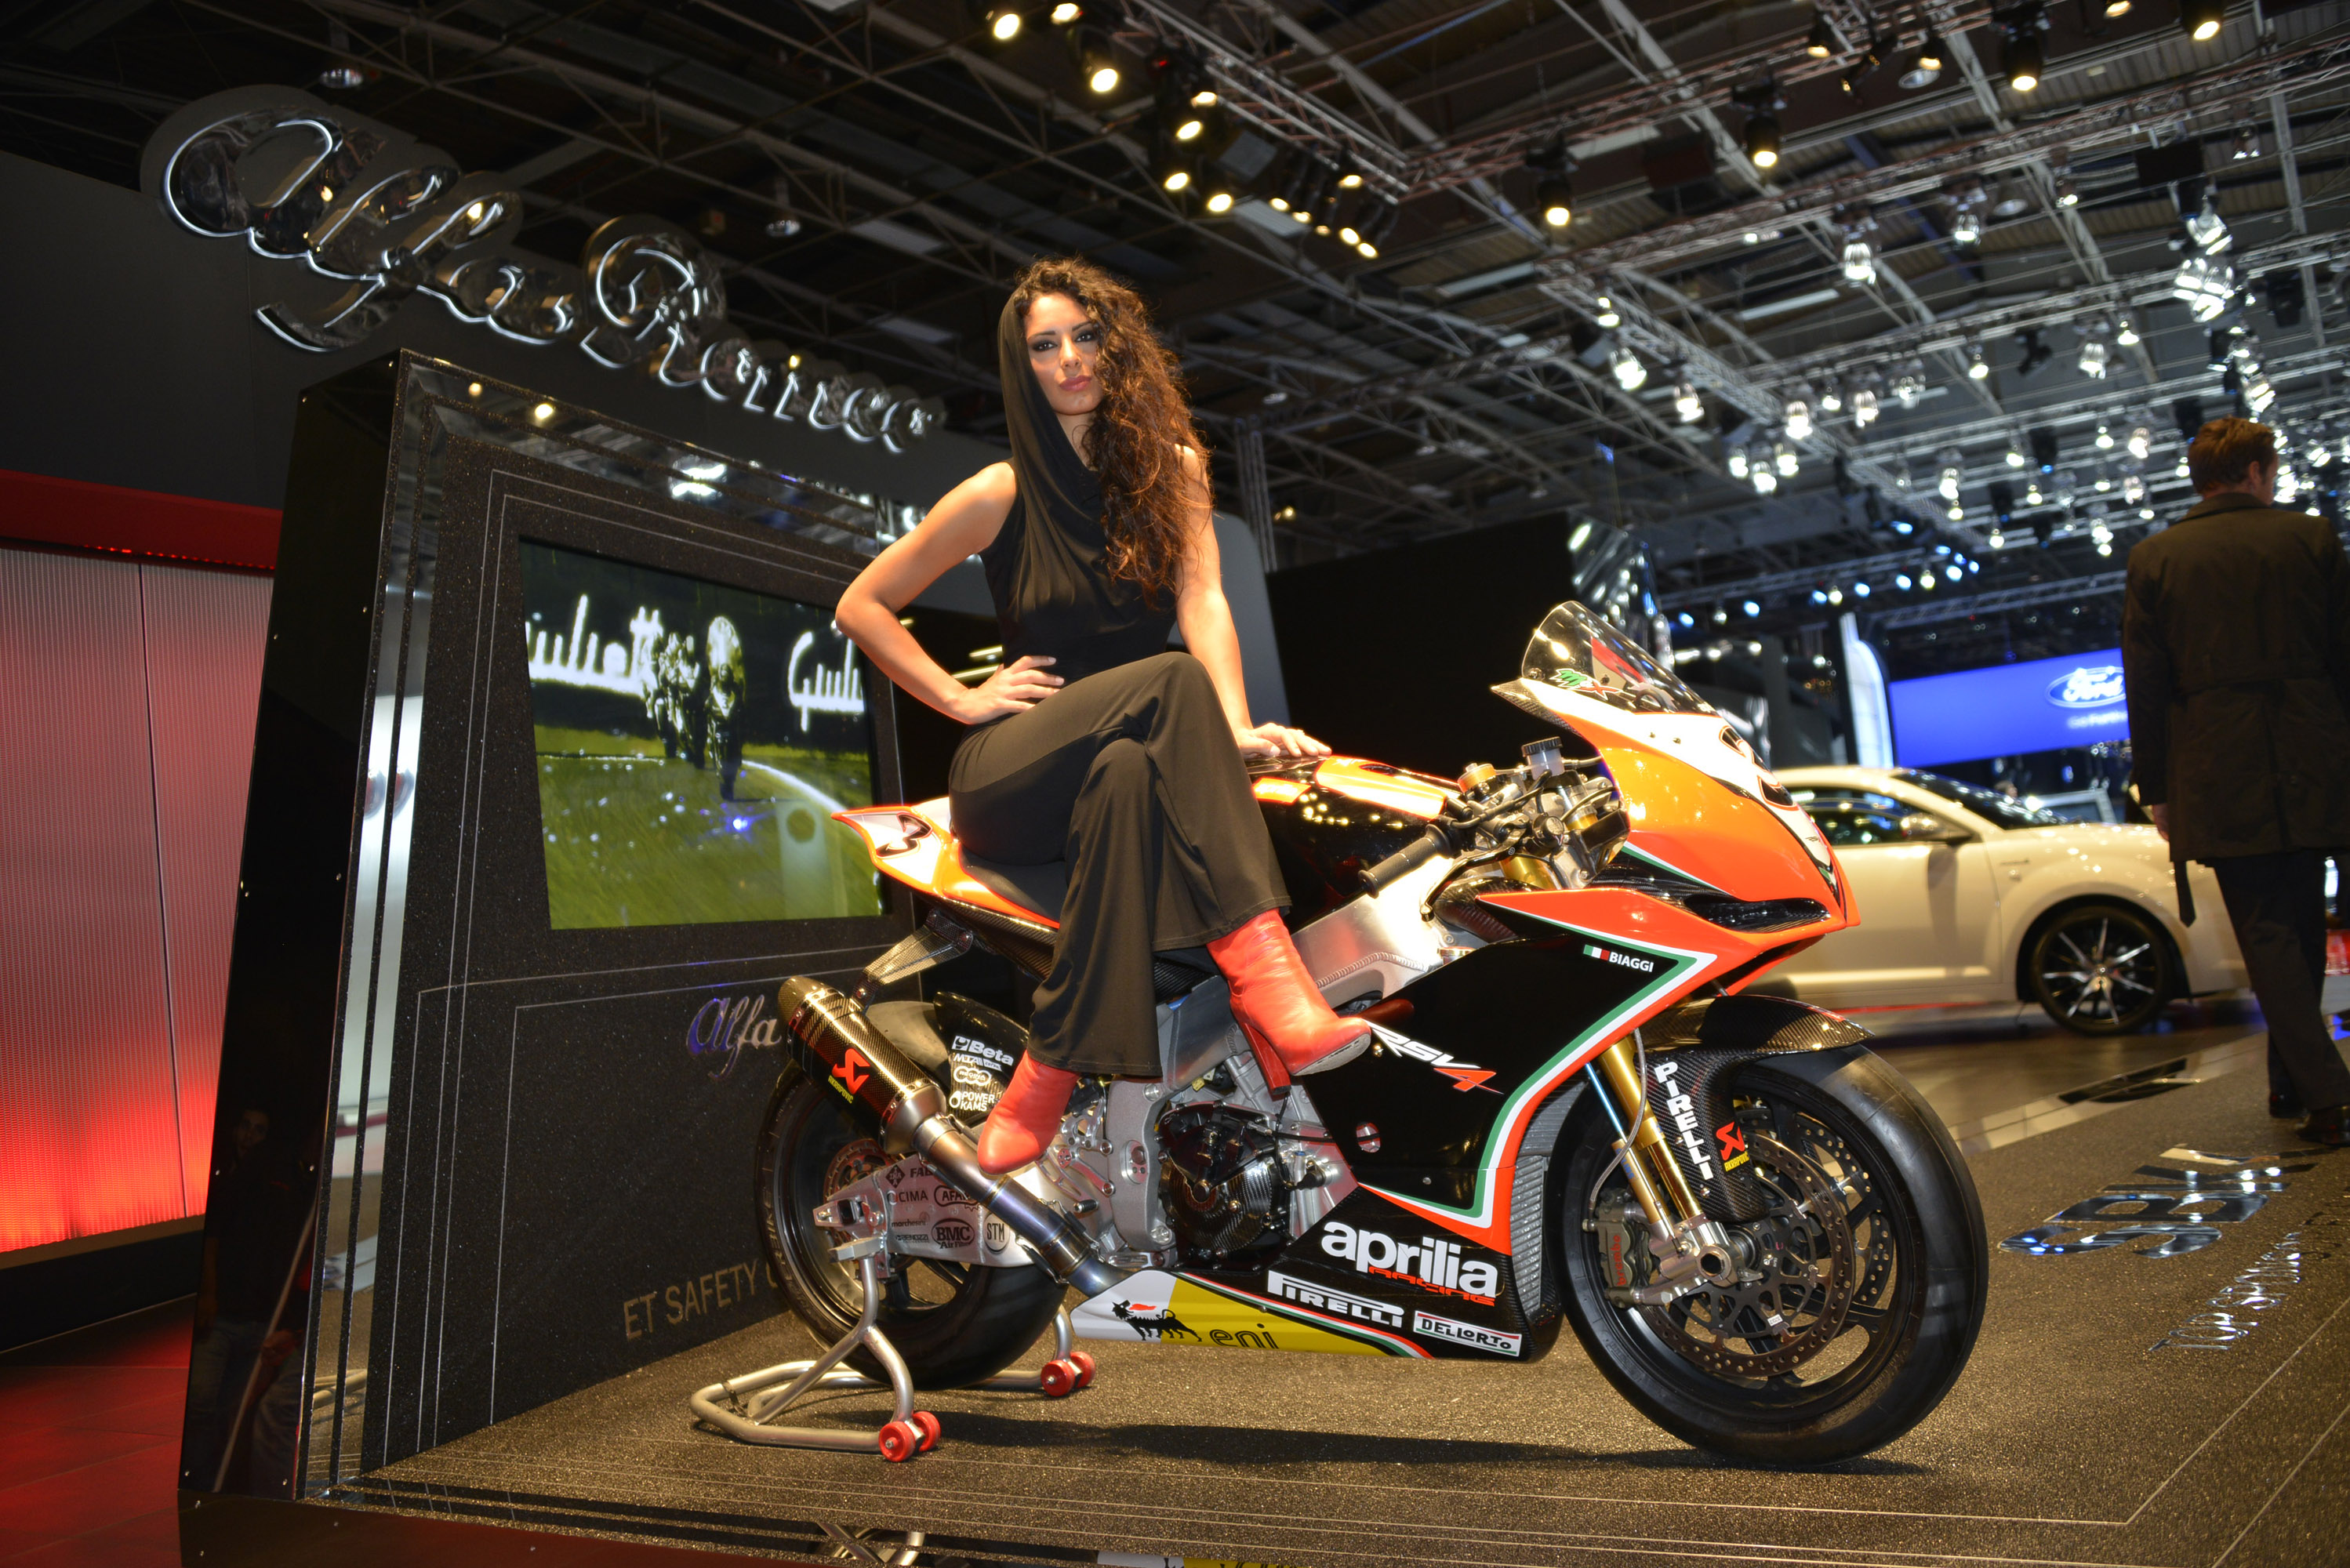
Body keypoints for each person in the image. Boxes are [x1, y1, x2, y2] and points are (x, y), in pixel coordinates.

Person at [835, 256, 1371, 1174]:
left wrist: (1233, 727)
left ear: (1116, 349)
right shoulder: (998, 492)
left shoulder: (1175, 471)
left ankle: (1045, 1073)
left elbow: (1205, 601)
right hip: (1015, 769)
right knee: (1166, 681)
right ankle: (1267, 981)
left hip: (1123, 762)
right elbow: (862, 605)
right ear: (1023, 367)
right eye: (1046, 345)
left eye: (1086, 337)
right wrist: (965, 698)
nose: (1071, 359)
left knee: (1132, 764)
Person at [2121, 416, 2350, 1146]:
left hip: (2216, 766)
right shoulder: (2308, 538)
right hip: (2314, 752)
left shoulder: (2155, 559)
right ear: (2254, 472)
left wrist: (2155, 786)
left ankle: (2301, 1083)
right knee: (2298, 927)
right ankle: (2321, 1091)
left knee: (2271, 933)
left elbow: (2145, 685)